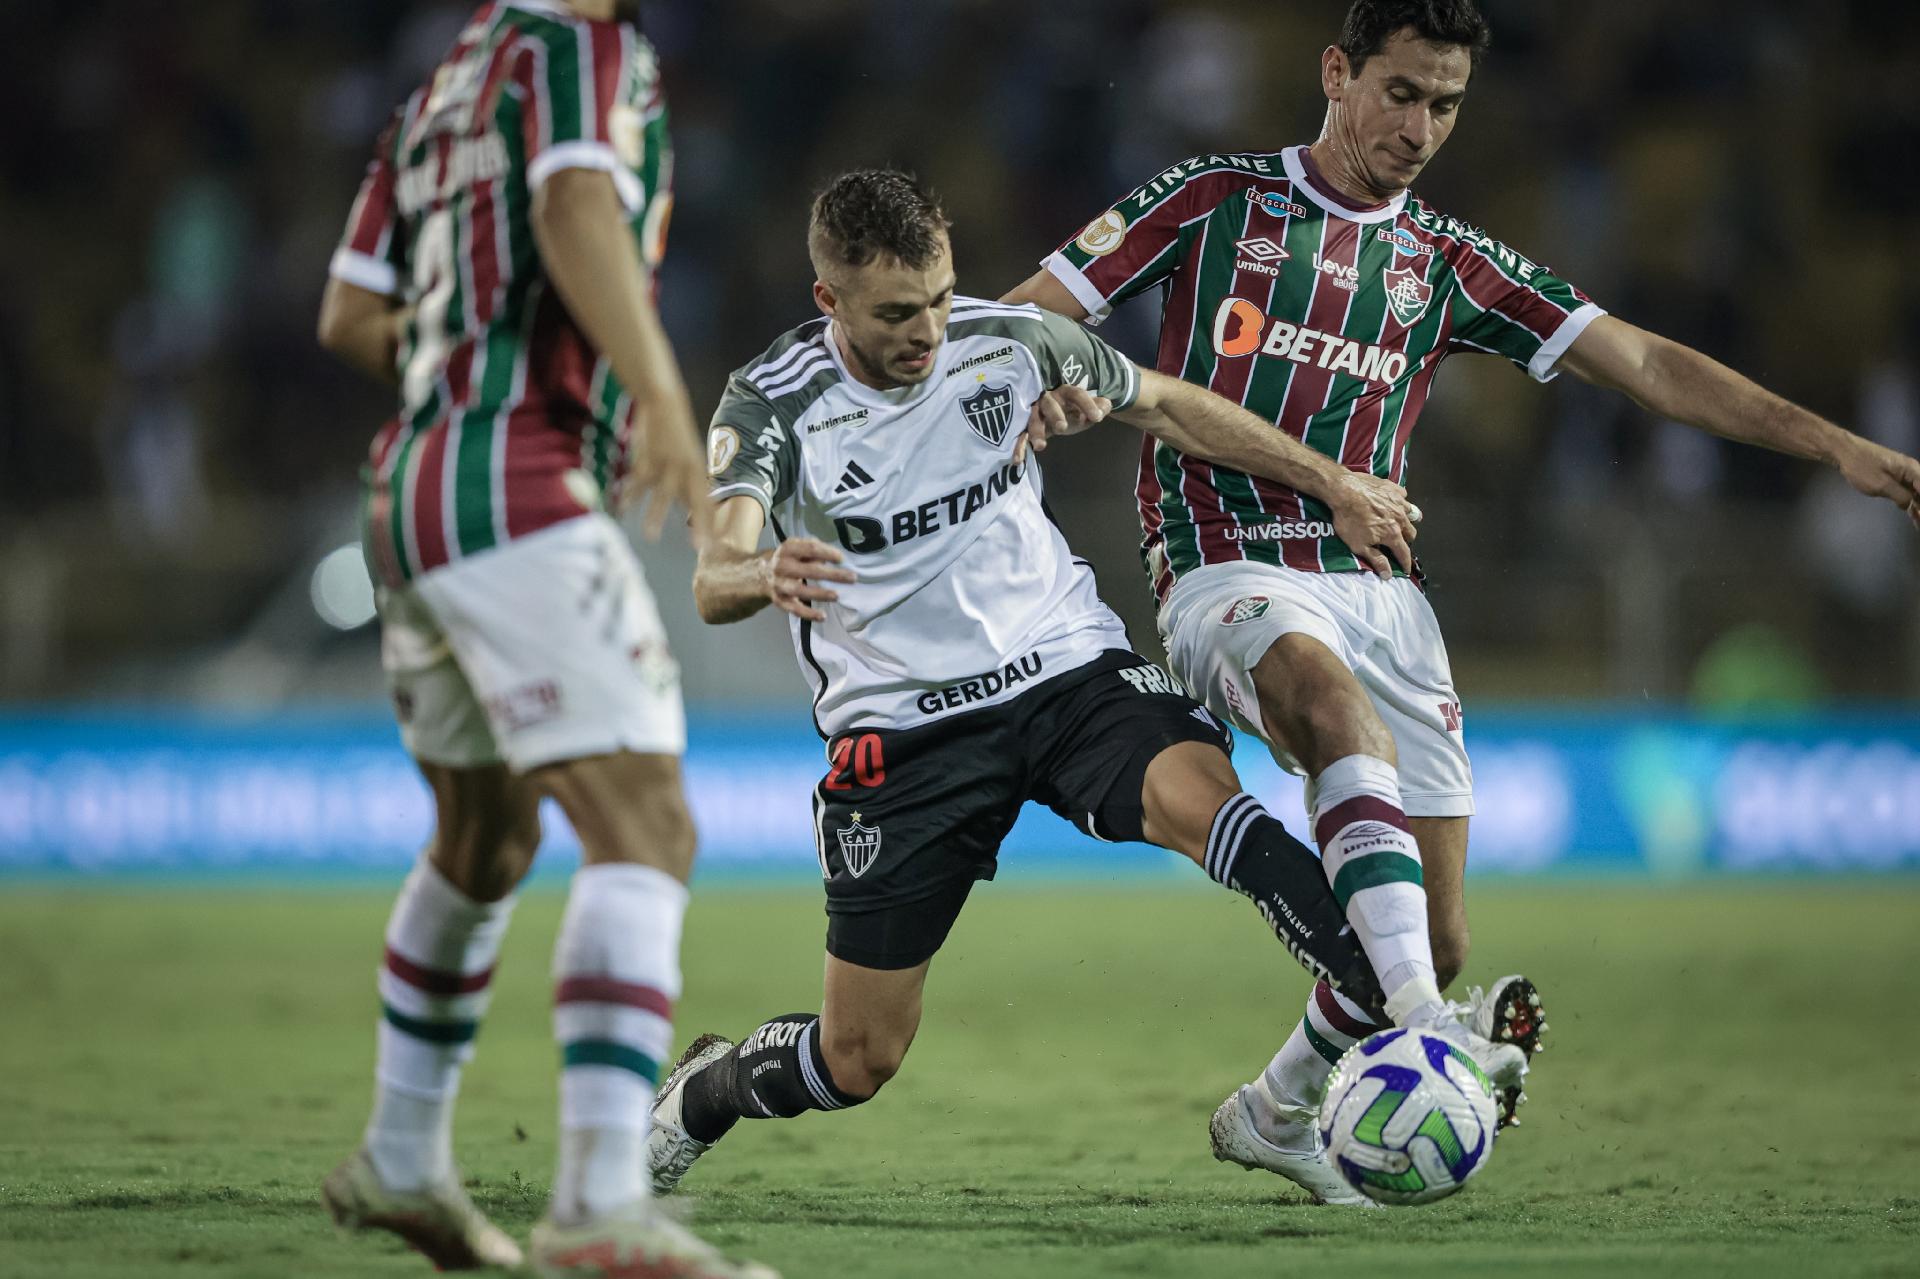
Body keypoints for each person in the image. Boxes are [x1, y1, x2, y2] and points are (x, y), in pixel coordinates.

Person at [1002, 0, 1920, 1205]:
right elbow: (1024, 311)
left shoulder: (1448, 261)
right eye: (1400, 92)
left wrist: (1831, 443)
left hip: (1384, 589)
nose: (1421, 125)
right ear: (1336, 74)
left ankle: (1278, 1111)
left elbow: (1639, 361)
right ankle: (1432, 1036)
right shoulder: (1215, 200)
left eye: (1446, 103)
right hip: (1225, 560)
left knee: (1428, 939)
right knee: (1332, 717)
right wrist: (1035, 380)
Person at [640, 168, 1529, 1204]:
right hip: (905, 735)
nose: (928, 329)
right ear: (827, 301)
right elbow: (713, 576)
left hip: (1065, 670)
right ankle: (705, 1091)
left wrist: (1332, 482)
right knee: (856, 1059)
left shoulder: (1005, 340)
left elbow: (1174, 409)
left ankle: (1415, 1012)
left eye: (937, 296)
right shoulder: (775, 400)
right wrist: (761, 572)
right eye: (895, 313)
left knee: (1211, 802)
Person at [313, 3, 772, 1275]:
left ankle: (401, 1156)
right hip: (513, 486)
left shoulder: (438, 92)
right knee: (648, 827)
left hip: (411, 481)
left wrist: (471, 356)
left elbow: (350, 317)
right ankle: (595, 1202)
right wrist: (658, 396)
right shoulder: (580, 52)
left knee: (485, 838)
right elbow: (576, 212)